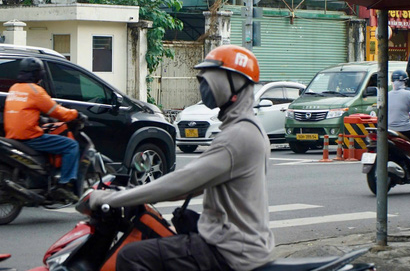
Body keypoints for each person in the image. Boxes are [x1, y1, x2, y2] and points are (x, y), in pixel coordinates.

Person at [89, 44, 274, 271]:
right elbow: (192, 185)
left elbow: (181, 182)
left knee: (130, 256)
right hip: (236, 244)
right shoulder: (246, 128)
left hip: (229, 251)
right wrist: (134, 194)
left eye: (210, 80)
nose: (204, 86)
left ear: (233, 83)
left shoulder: (238, 135)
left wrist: (111, 199)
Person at [4, 57, 81, 202]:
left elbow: (24, 111)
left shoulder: (14, 88)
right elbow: (57, 112)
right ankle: (64, 185)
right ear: (37, 75)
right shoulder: (35, 91)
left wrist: (40, 119)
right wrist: (75, 114)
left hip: (11, 136)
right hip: (30, 137)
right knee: (71, 145)